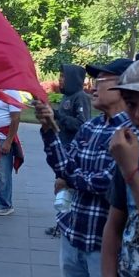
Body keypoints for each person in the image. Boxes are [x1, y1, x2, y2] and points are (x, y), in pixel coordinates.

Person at [34, 58, 134, 277]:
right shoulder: (90, 127)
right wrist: (49, 130)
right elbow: (64, 166)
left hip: (104, 247)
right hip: (74, 235)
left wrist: (70, 178)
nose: (93, 85)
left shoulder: (133, 133)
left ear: (124, 87)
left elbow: (106, 184)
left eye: (102, 80)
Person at [102, 58, 139, 277]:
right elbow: (113, 227)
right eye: (131, 104)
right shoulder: (134, 150)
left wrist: (131, 172)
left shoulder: (129, 158)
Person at [46, 64, 92, 237]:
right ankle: (62, 223)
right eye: (59, 77)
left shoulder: (80, 97)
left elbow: (82, 123)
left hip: (74, 151)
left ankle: (68, 224)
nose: (60, 80)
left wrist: (60, 117)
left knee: (67, 188)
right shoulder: (67, 97)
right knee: (61, 190)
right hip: (63, 148)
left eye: (63, 77)